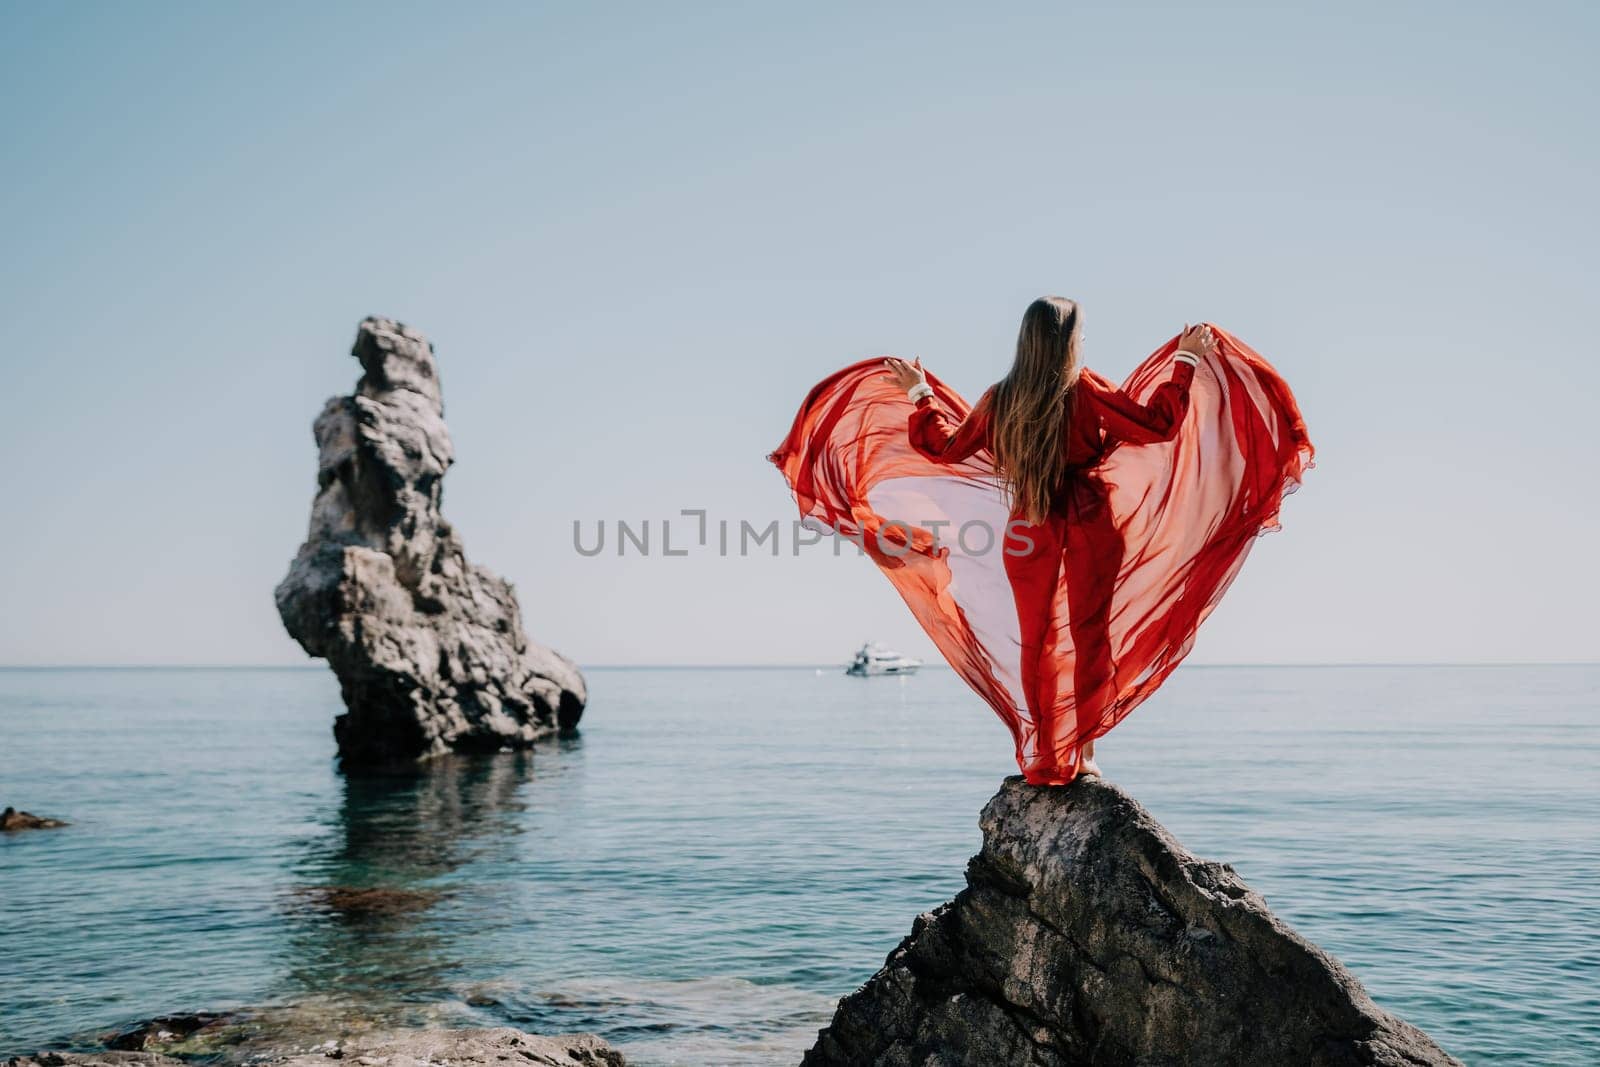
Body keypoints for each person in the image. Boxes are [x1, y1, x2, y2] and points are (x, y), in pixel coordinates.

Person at [769, 297, 1312, 785]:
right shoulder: (1085, 388)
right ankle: (1085, 750)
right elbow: (1158, 424)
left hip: (1028, 527)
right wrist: (1187, 362)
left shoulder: (1000, 399)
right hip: (1091, 524)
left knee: (1038, 642)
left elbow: (944, 449)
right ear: (1070, 341)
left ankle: (1046, 757)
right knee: (1090, 635)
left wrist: (920, 394)